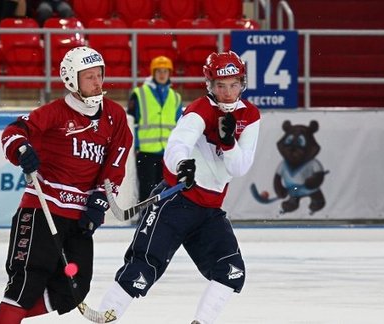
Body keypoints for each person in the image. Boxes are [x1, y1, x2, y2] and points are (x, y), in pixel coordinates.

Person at [97, 51, 261, 323]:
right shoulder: (200, 109)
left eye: (234, 84)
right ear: (210, 85)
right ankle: (103, 318)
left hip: (209, 211)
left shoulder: (251, 116)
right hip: (176, 203)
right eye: (221, 85)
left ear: (242, 82)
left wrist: (229, 143)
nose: (228, 93)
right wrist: (183, 164)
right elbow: (178, 144)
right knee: (141, 271)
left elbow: (239, 167)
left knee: (231, 272)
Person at [0, 46, 133, 324]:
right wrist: (22, 149)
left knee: (72, 290)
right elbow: (13, 132)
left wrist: (98, 203)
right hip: (42, 210)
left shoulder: (114, 116)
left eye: (99, 75)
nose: (97, 82)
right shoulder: (55, 113)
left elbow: (115, 165)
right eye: (89, 77)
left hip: (81, 218)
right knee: (27, 282)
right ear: (72, 80)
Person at [128, 55, 183, 204]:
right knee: (147, 190)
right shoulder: (139, 94)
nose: (162, 74)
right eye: (158, 71)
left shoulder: (176, 97)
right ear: (153, 72)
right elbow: (131, 122)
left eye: (165, 71)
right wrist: (136, 145)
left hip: (167, 153)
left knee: (166, 191)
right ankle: (145, 219)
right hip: (146, 151)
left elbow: (179, 126)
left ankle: (161, 221)